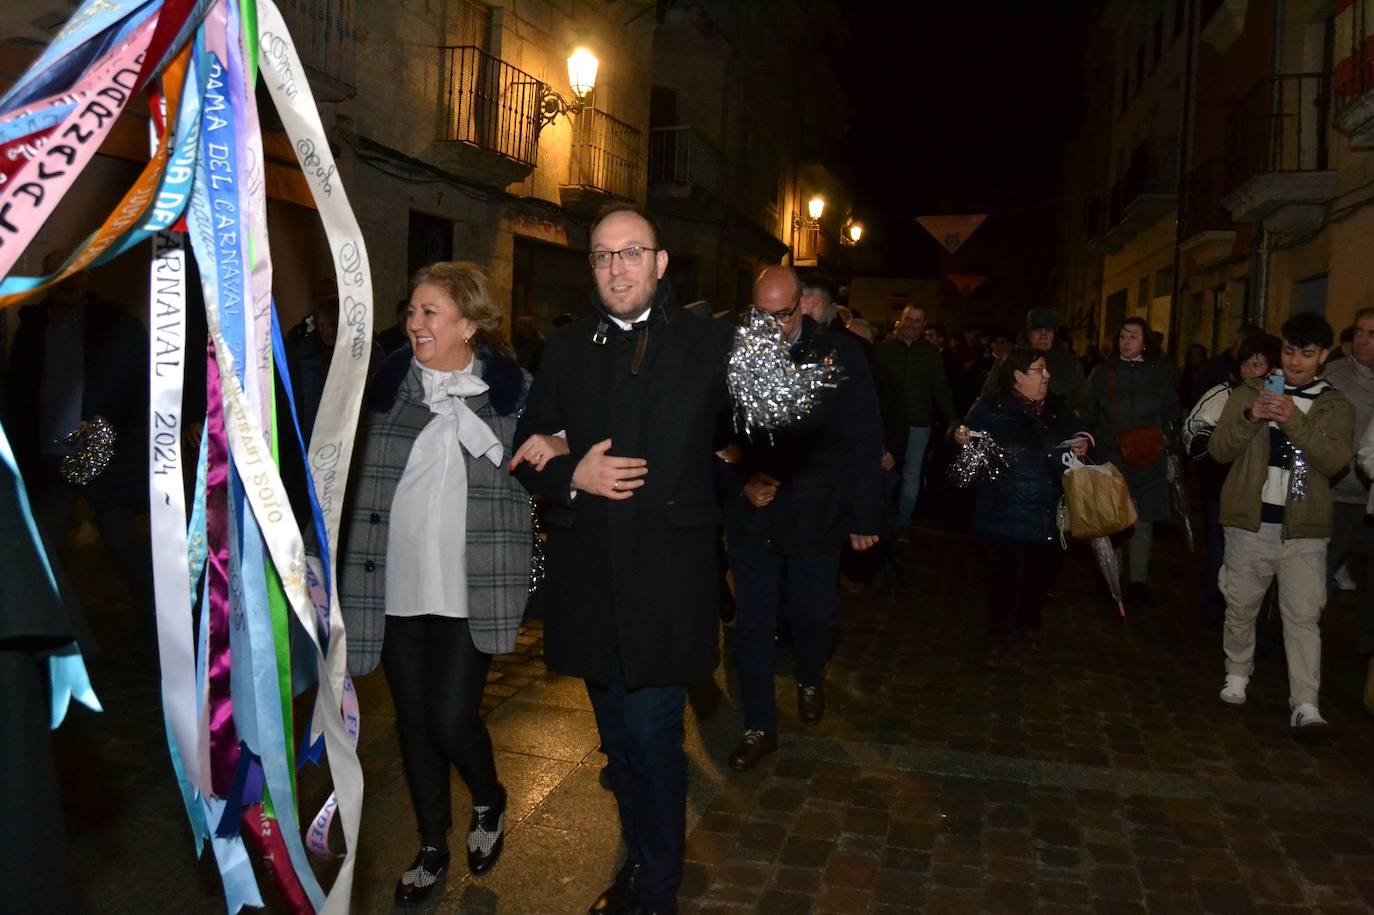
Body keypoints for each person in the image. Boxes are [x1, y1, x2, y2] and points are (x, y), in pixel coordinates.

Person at [510, 204, 733, 915]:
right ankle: (640, 859)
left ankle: (657, 885)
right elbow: (528, 445)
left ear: (660, 263)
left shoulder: (710, 344)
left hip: (668, 581)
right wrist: (572, 473)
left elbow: (760, 429)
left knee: (652, 735)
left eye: (631, 252)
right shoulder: (569, 348)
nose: (616, 267)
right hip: (592, 581)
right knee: (620, 744)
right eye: (604, 256)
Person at [338, 261, 551, 904]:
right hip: (394, 578)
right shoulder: (380, 391)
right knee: (411, 721)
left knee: (452, 720)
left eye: (431, 312)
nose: (415, 323)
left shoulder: (518, 395)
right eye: (412, 312)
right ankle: (432, 844)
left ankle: (488, 799)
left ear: (469, 323)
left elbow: (546, 468)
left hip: (469, 582)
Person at [721, 266, 883, 771]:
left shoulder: (842, 355)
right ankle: (759, 725)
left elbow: (863, 440)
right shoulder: (731, 356)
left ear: (804, 306)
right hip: (754, 519)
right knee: (753, 625)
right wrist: (740, 482)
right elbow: (705, 437)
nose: (772, 324)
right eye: (761, 314)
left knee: (813, 614)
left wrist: (864, 514)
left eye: (782, 313)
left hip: (816, 512)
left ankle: (810, 674)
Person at [1208, 313, 1353, 739]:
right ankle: (1237, 672)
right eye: (1289, 351)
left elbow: (1333, 460)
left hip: (1304, 528)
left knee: (1304, 616)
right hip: (1250, 522)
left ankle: (1305, 703)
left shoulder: (1334, 404)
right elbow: (1218, 450)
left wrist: (1292, 418)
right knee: (1240, 605)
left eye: (1306, 354)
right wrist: (1250, 416)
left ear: (1323, 356)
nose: (1295, 361)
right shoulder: (1251, 390)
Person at [3, 253, 151, 617]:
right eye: (59, 274)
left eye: (75, 273)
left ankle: (158, 619)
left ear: (87, 278)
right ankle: (56, 627)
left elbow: (137, 385)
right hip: (48, 451)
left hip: (97, 444)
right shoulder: (33, 326)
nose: (68, 282)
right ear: (48, 279)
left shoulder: (115, 325)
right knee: (47, 545)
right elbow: (18, 390)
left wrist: (105, 421)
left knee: (120, 538)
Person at [954, 348, 1089, 668]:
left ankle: (1030, 619)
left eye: (1046, 371)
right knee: (1003, 578)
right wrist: (957, 435)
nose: (1047, 376)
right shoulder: (991, 407)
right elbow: (962, 431)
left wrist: (1082, 440)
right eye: (1039, 370)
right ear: (1017, 376)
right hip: (1004, 508)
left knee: (1042, 574)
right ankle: (999, 635)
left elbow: (1078, 433)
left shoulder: (1057, 409)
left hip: (1049, 509)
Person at [1183, 334, 1281, 629]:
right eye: (1246, 363)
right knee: (1221, 551)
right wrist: (1210, 451)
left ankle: (1259, 618)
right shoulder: (1223, 395)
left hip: (1265, 494)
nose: (1250, 370)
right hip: (1223, 489)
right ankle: (1215, 608)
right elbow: (1194, 431)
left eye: (1258, 364)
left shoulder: (1281, 398)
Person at [1086, 317, 1180, 605]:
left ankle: (1138, 580)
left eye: (1133, 337)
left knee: (1142, 519)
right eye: (1122, 336)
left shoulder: (1161, 373)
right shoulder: (1103, 373)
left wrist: (1166, 437)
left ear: (1145, 341)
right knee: (1114, 519)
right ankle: (1112, 577)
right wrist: (1087, 438)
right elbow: (1088, 409)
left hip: (1148, 455)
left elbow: (1172, 410)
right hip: (1111, 454)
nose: (1126, 342)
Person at [875, 304, 956, 535]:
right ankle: (880, 518)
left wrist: (953, 419)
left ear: (924, 325)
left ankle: (901, 524)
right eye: (908, 319)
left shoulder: (930, 353)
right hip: (887, 424)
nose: (911, 324)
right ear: (900, 320)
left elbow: (940, 386)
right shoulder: (884, 349)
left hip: (918, 423)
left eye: (917, 321)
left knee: (911, 474)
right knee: (883, 471)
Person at [1319, 308, 1374, 596]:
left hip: (1371, 495)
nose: (1363, 341)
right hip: (1337, 490)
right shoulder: (1335, 375)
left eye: (1372, 334)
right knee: (1320, 567)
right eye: (1359, 332)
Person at [981, 307, 1091, 422]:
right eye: (1037, 330)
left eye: (1048, 330)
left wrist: (1068, 423)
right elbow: (988, 396)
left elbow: (1085, 405)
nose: (1043, 335)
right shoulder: (1009, 361)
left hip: (1057, 435)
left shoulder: (1070, 365)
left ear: (1054, 334)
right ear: (1028, 333)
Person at [1179, 343, 1210, 410]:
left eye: (1197, 355)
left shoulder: (1209, 375)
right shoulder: (1183, 373)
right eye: (1192, 355)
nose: (1194, 358)